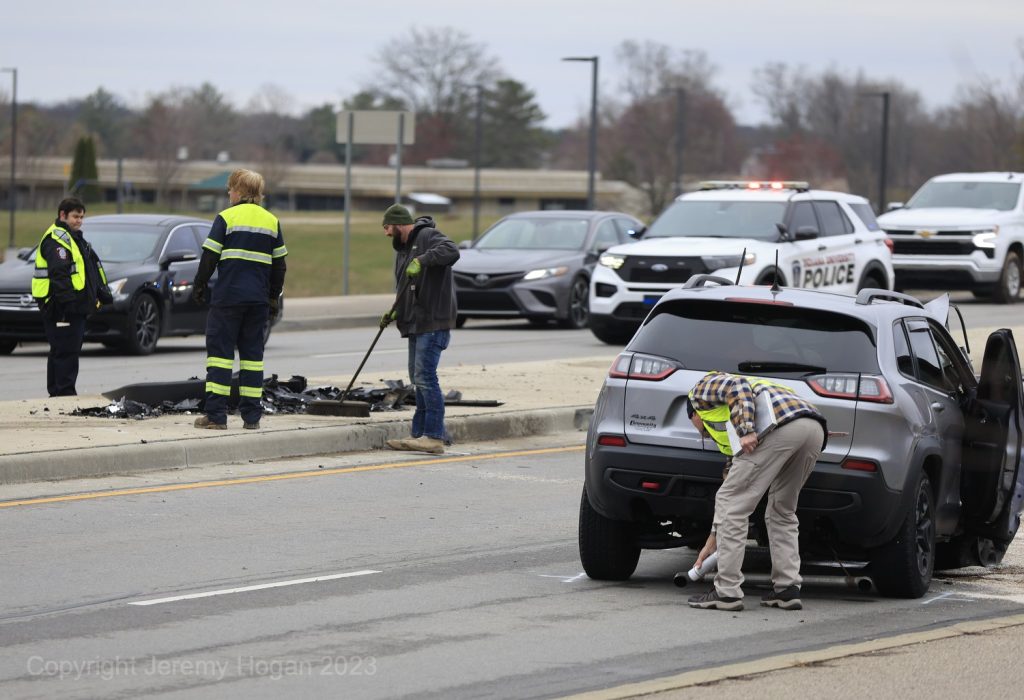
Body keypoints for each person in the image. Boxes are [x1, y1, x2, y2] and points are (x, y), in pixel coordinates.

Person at [685, 370, 827, 612]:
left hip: (778, 428)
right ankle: (787, 589)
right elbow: (731, 483)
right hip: (813, 428)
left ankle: (727, 591)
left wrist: (746, 429)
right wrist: (712, 539)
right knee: (782, 509)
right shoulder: (741, 417)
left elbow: (736, 385)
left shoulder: (699, 392)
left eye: (699, 427)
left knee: (734, 506)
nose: (705, 433)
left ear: (693, 414)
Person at [191, 169, 287, 430]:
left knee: (220, 358)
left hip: (228, 299)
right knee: (253, 358)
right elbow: (280, 266)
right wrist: (272, 298)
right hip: (256, 302)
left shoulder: (226, 218)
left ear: (239, 191)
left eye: (230, 189)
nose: (228, 193)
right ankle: (252, 418)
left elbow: (210, 257)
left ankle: (216, 416)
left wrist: (199, 286)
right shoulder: (271, 221)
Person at [379, 204, 460, 455]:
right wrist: (395, 310)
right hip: (416, 322)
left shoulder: (426, 235)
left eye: (387, 227)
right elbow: (407, 288)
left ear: (400, 223)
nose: (386, 233)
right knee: (418, 379)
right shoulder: (403, 251)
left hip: (433, 321)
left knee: (425, 377)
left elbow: (452, 251)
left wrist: (422, 260)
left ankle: (433, 437)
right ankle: (420, 433)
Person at [32, 197, 112, 396]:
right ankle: (64, 395)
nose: (79, 221)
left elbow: (88, 271)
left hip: (72, 306)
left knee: (62, 350)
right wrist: (68, 306)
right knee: (66, 351)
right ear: (62, 215)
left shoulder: (73, 238)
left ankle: (57, 394)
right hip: (62, 307)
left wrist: (99, 295)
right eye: (75, 216)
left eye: (82, 217)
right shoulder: (57, 240)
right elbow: (60, 275)